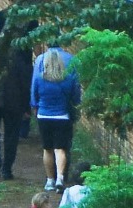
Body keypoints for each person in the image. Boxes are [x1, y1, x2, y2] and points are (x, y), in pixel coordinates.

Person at [31, 48, 80, 190]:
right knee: (60, 149)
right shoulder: (68, 79)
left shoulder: (39, 78)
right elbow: (75, 97)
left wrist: (35, 107)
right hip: (62, 116)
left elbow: (34, 95)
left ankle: (49, 180)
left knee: (47, 149)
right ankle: (60, 178)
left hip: (44, 116)